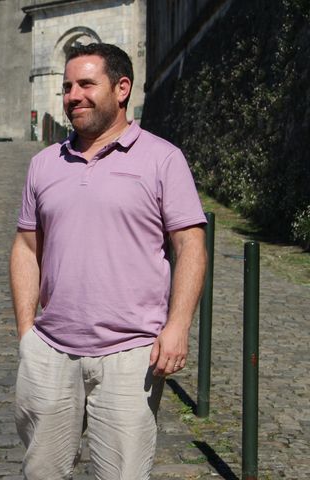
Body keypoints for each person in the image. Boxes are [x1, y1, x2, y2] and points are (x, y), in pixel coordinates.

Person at [10, 43, 207, 479]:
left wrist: (177, 327)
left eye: (85, 84)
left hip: (131, 354)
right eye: (66, 87)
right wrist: (27, 332)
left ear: (122, 88)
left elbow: (190, 246)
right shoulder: (44, 164)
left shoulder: (163, 159)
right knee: (41, 472)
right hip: (51, 351)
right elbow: (26, 246)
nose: (72, 96)